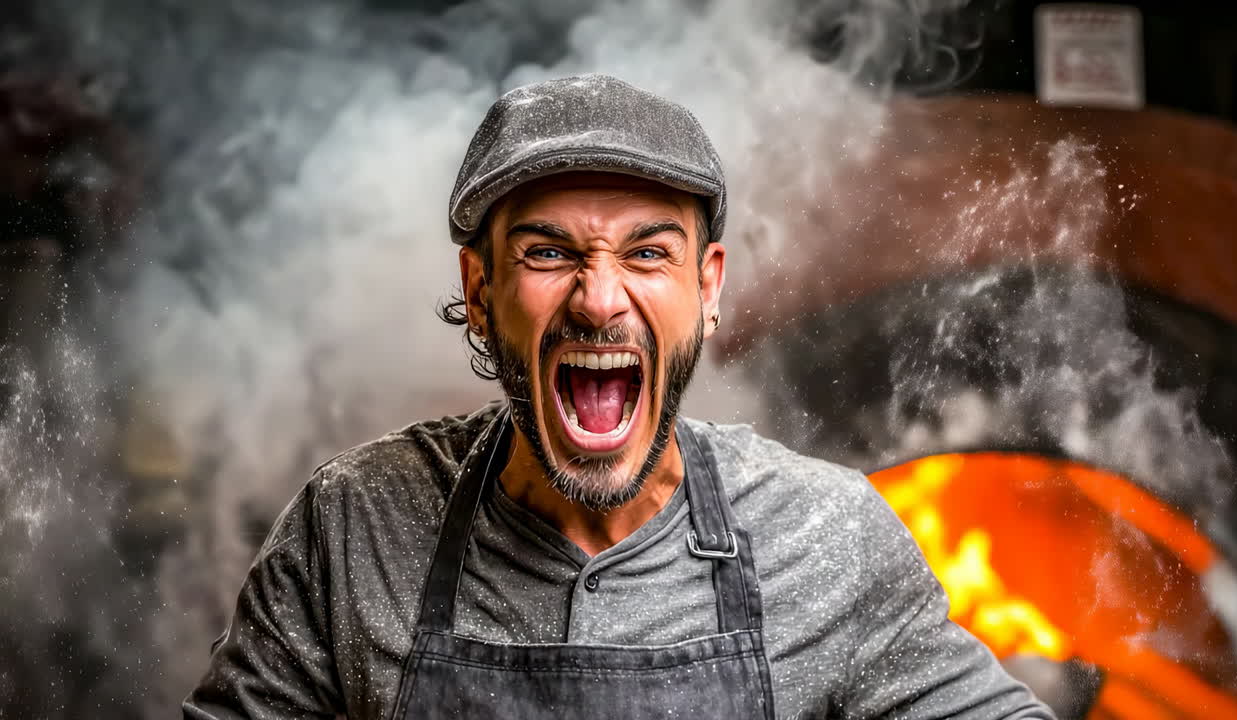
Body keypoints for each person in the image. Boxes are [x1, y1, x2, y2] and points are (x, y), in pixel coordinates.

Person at [183, 74, 1054, 719]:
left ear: (708, 288)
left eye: (647, 254)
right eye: (549, 253)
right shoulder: (353, 528)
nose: (600, 300)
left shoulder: (824, 537)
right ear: (479, 290)